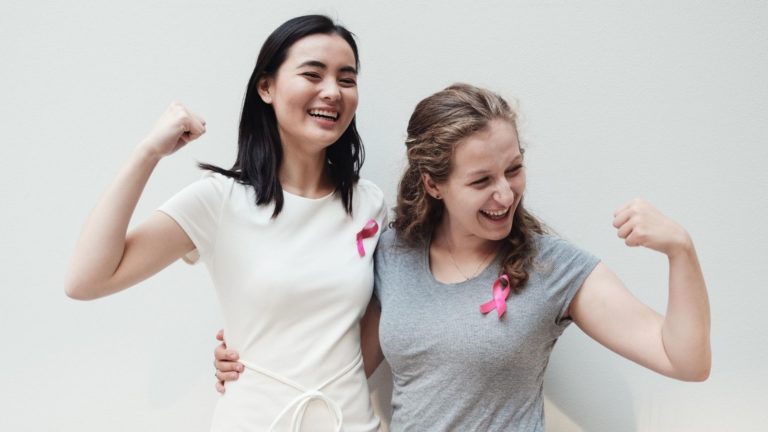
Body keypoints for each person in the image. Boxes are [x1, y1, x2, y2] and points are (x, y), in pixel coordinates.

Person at [213, 83, 711, 431]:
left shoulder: (552, 267)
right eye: (480, 181)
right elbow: (338, 367)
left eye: (513, 170)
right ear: (433, 184)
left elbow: (684, 360)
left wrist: (680, 250)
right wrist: (245, 362)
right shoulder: (392, 253)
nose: (505, 194)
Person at [64, 15, 386, 432]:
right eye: (312, 73)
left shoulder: (369, 204)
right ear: (266, 86)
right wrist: (147, 153)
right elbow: (86, 280)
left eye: (347, 79)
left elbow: (379, 319)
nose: (331, 92)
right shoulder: (219, 200)